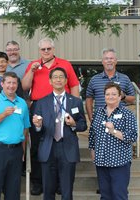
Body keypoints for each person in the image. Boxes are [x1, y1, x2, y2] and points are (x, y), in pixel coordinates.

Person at [22, 37, 80, 195]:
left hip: (63, 107)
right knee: (37, 145)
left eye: (49, 49)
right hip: (40, 108)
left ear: (53, 49)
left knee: (63, 142)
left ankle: (62, 183)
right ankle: (37, 181)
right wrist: (32, 71)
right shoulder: (33, 64)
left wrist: (74, 107)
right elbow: (25, 86)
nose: (46, 51)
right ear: (39, 50)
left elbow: (74, 85)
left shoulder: (65, 64)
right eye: (43, 49)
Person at [32, 67, 87, 200]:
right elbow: (36, 128)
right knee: (48, 190)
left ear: (66, 80)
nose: (58, 79)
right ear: (50, 81)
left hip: (67, 147)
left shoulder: (76, 101)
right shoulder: (41, 102)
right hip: (48, 148)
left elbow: (83, 125)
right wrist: (38, 126)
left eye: (61, 77)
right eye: (55, 77)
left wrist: (74, 124)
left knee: (67, 190)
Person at [0, 72, 30, 200]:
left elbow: (25, 128)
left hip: (16, 150)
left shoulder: (22, 103)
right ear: (2, 84)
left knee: (14, 189)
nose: (11, 86)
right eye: (8, 83)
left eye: (14, 83)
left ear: (17, 85)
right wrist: (3, 115)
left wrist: (23, 150)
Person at [88, 82, 138, 200]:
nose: (110, 97)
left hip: (119, 162)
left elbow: (132, 136)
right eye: (107, 94)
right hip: (101, 161)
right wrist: (92, 150)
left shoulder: (127, 114)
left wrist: (114, 131)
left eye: (114, 94)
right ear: (104, 96)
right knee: (105, 196)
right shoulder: (98, 113)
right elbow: (92, 134)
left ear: (120, 96)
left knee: (119, 195)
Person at [85, 48, 135, 122]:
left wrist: (123, 97)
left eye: (111, 58)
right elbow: (89, 99)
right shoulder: (94, 80)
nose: (109, 61)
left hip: (121, 121)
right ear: (102, 62)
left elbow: (132, 99)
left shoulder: (124, 78)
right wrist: (91, 118)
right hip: (100, 120)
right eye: (106, 58)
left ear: (116, 61)